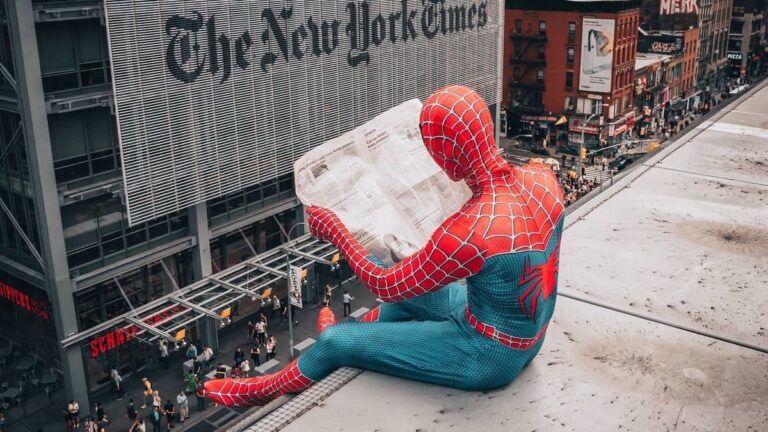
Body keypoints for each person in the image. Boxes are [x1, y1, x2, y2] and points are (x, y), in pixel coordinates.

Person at [203, 86, 564, 408]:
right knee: (407, 294)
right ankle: (362, 335)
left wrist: (337, 232)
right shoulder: (542, 177)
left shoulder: (469, 229)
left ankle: (265, 388)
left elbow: (383, 285)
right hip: (528, 335)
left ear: (448, 159)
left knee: (338, 341)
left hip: (489, 353)